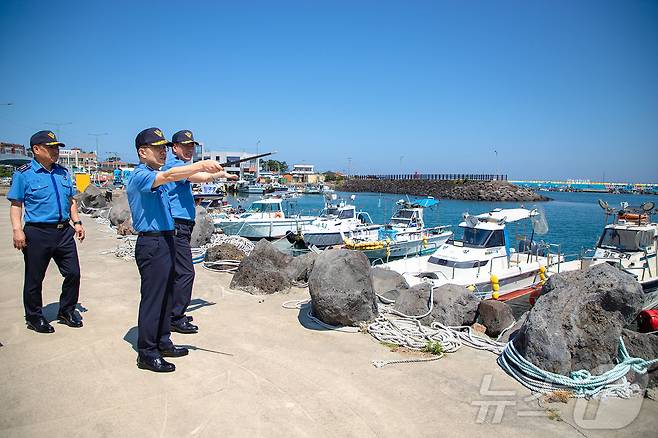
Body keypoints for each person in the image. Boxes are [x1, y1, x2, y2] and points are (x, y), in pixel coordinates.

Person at [127, 127, 224, 373]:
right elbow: (170, 176)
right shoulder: (141, 175)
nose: (163, 152)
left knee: (167, 294)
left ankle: (163, 341)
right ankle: (147, 352)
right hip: (153, 242)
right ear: (142, 152)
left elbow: (173, 176)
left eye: (164, 147)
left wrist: (205, 172)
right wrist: (200, 165)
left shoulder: (156, 173)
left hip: (167, 239)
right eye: (158, 148)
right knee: (153, 299)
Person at [7, 130, 85, 333]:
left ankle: (66, 310)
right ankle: (34, 317)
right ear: (36, 149)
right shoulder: (24, 174)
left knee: (73, 273)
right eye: (51, 148)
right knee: (34, 278)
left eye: (57, 147)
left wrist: (77, 222)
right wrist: (17, 230)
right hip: (37, 233)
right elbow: (16, 204)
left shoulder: (62, 173)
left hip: (63, 231)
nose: (55, 151)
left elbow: (71, 201)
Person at [162, 130, 237, 334]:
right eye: (184, 146)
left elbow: (199, 176)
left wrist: (220, 174)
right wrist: (213, 173)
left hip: (183, 226)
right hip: (176, 226)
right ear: (174, 148)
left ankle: (174, 312)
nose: (189, 149)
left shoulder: (181, 167)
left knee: (179, 272)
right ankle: (175, 317)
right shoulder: (174, 166)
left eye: (191, 146)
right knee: (186, 273)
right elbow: (198, 176)